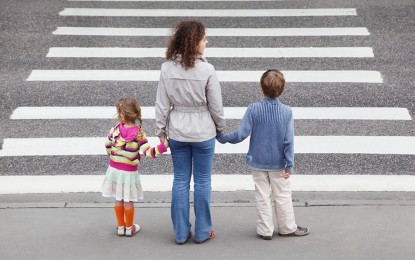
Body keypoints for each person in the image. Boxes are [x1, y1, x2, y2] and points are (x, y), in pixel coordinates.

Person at [217, 69, 309, 240]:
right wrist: (290, 164)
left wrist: (222, 138)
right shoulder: (287, 112)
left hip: (257, 161)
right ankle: (287, 227)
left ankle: (265, 230)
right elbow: (288, 142)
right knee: (282, 195)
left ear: (261, 87)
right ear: (282, 89)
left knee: (262, 196)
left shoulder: (253, 109)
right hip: (279, 163)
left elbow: (240, 135)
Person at [155, 20, 225, 244]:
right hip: (203, 131)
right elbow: (216, 106)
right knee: (203, 181)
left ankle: (181, 232)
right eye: (204, 38)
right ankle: (203, 231)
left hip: (177, 131)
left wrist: (161, 131)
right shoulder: (207, 69)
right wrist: (220, 128)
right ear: (195, 43)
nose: (207, 42)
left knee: (180, 180)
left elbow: (162, 104)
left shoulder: (167, 68)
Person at [101, 98, 168, 237]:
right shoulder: (139, 134)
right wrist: (164, 146)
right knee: (128, 200)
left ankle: (120, 227)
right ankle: (129, 227)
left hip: (114, 169)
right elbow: (148, 153)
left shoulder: (114, 130)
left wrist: (113, 158)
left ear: (121, 115)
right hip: (129, 172)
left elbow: (107, 146)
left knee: (118, 198)